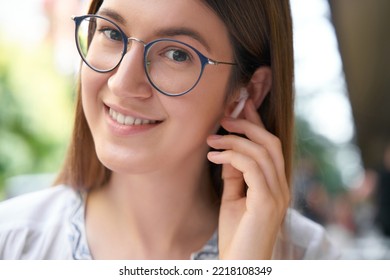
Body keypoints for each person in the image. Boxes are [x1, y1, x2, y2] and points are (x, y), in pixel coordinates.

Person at [0, 0, 339, 259]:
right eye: (112, 33)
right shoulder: (11, 241)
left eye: (177, 54)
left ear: (246, 90)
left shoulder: (310, 256)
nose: (122, 83)